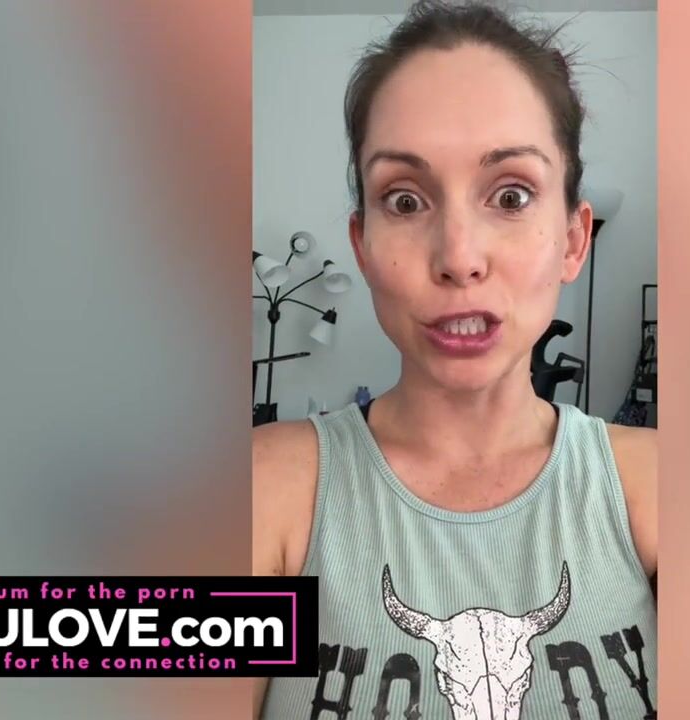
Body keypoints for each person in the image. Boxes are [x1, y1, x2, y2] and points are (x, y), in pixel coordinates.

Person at [251, 2, 657, 718]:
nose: (459, 257)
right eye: (406, 201)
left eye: (511, 195)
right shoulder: (262, 491)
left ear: (572, 239)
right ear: (363, 247)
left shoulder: (661, 487)